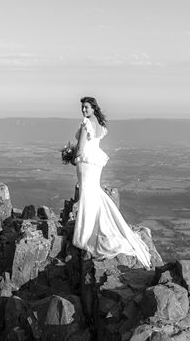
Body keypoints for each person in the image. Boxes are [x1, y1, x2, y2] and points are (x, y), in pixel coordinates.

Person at [72, 96, 152, 268]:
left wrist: (72, 157)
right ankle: (97, 224)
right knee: (94, 192)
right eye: (82, 108)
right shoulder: (100, 126)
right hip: (94, 162)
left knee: (87, 193)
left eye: (86, 107)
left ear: (93, 108)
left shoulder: (86, 123)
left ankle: (86, 234)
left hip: (86, 162)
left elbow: (80, 147)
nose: (83, 110)